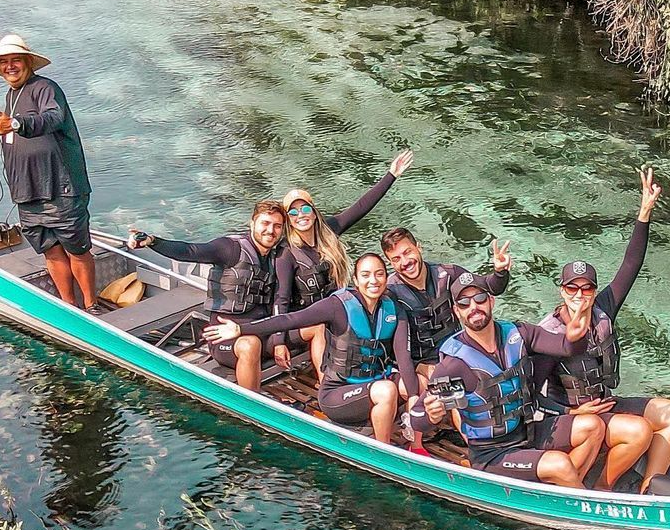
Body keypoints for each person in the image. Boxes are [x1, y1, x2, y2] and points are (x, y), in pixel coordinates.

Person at [536, 166, 670, 492]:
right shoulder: (546, 334)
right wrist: (571, 409)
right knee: (639, 432)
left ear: (594, 290)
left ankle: (650, 490)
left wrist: (644, 212)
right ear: (562, 291)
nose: (580, 295)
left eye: (587, 288)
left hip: (606, 403)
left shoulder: (604, 308)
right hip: (574, 418)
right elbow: (531, 394)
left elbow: (630, 265)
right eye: (572, 289)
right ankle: (604, 489)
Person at [204, 253, 422, 445]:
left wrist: (413, 396)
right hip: (338, 394)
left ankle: (416, 444)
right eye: (365, 275)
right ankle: (382, 451)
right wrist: (241, 329)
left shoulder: (394, 310)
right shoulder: (337, 306)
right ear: (355, 280)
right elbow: (289, 319)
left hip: (374, 383)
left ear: (386, 277)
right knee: (387, 390)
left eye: (379, 274)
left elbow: (403, 356)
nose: (373, 281)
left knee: (418, 383)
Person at [412, 274, 605, 488]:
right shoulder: (455, 364)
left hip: (527, 431)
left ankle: (563, 490)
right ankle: (581, 503)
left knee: (593, 427)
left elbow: (566, 347)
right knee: (559, 464)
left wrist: (576, 337)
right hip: (492, 453)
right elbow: (417, 417)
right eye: (464, 303)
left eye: (480, 299)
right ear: (457, 312)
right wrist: (431, 416)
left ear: (491, 301)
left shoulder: (519, 333)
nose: (473, 307)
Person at [0, 34, 98, 311]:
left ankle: (92, 305)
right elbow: (7, 127)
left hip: (61, 187)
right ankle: (70, 306)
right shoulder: (11, 95)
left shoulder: (45, 87)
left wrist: (14, 123)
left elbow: (53, 117)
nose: (9, 66)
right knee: (50, 249)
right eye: (3, 62)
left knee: (76, 248)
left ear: (28, 62)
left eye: (15, 60)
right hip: (27, 190)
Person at [278, 150, 414, 380]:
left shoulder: (328, 231)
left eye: (305, 209)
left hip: (334, 310)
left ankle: (384, 368)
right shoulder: (286, 255)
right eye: (293, 212)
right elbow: (280, 300)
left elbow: (361, 207)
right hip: (302, 322)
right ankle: (326, 386)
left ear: (313, 210)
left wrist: (391, 175)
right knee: (321, 326)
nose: (300, 215)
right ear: (289, 220)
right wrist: (278, 342)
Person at [128, 199, 287, 392]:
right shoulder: (230, 249)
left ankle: (326, 393)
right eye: (265, 223)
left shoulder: (278, 255)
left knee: (316, 326)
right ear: (252, 223)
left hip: (264, 331)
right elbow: (190, 251)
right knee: (249, 344)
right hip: (227, 339)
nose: (270, 231)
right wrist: (153, 242)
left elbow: (326, 225)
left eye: (277, 226)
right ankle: (254, 408)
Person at [381, 229, 513, 373]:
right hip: (421, 365)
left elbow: (490, 287)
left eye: (407, 252)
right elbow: (388, 347)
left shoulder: (448, 274)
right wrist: (418, 367)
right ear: (390, 263)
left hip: (458, 352)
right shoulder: (390, 293)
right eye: (396, 259)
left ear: (419, 247)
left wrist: (500, 272)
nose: (405, 262)